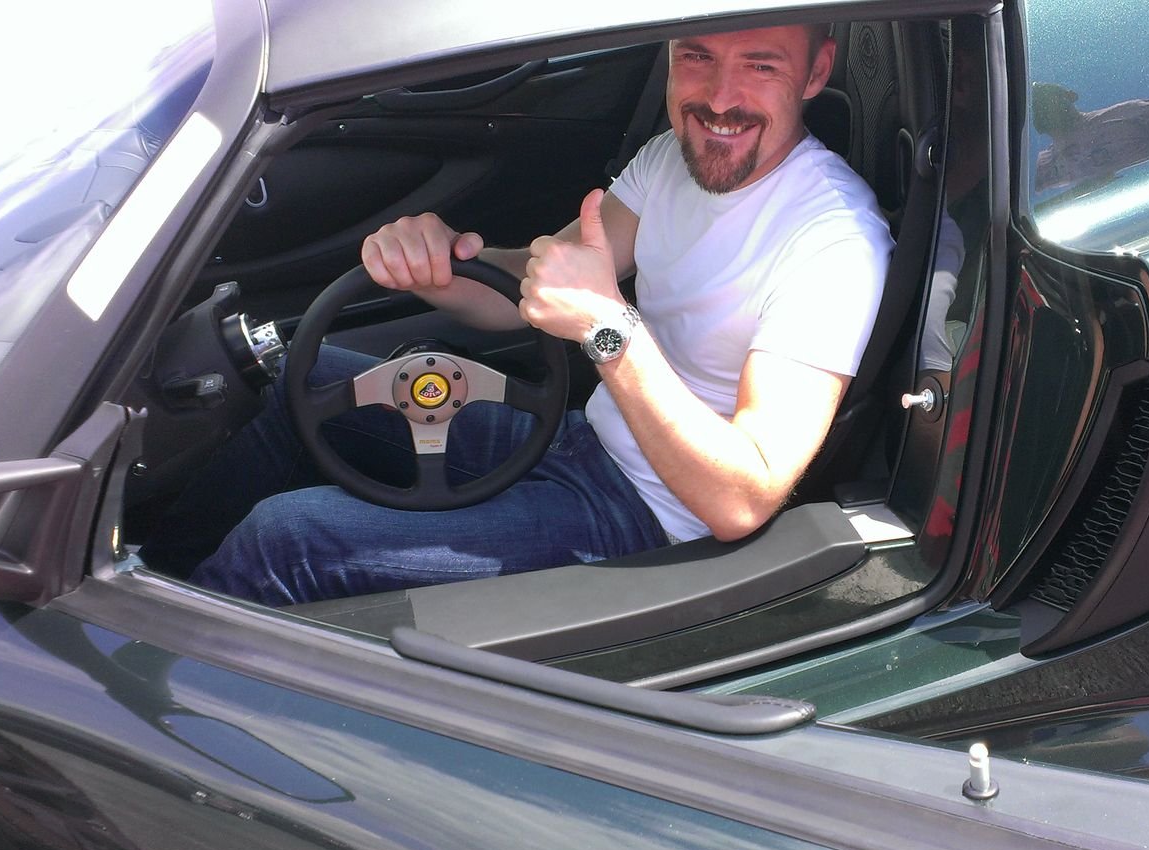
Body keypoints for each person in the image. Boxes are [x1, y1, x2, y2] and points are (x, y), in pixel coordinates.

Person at [158, 24, 893, 606]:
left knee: (288, 539)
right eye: (696, 56)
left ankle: (150, 683)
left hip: (648, 521)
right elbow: (530, 289)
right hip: (579, 444)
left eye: (761, 65)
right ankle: (154, 577)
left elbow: (743, 497)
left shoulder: (834, 242)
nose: (720, 98)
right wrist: (440, 261)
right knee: (297, 376)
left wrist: (607, 326)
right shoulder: (672, 158)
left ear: (817, 72)